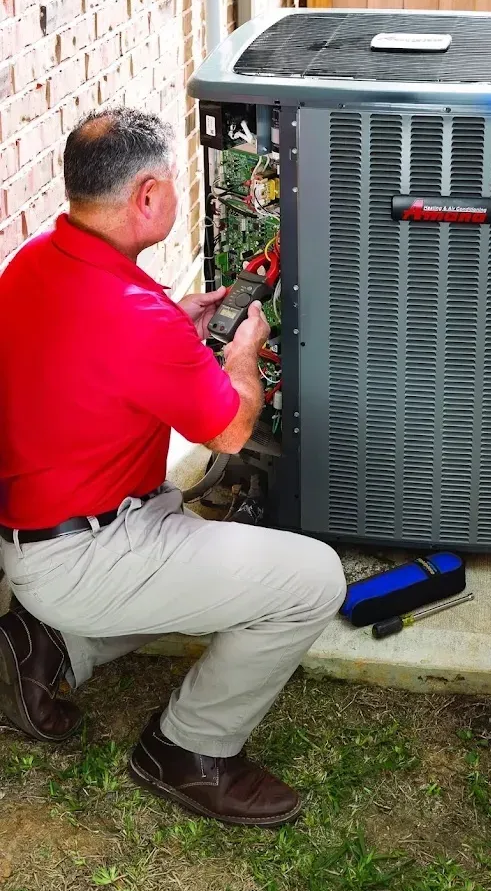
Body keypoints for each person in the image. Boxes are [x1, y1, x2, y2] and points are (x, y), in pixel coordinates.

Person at [0, 108, 346, 828]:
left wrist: (175, 322)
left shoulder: (34, 261)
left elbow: (93, 360)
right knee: (312, 580)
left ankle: (46, 644)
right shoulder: (138, 318)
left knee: (188, 577)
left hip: (43, 535)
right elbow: (229, 429)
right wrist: (240, 357)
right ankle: (187, 751)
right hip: (88, 554)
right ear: (150, 195)